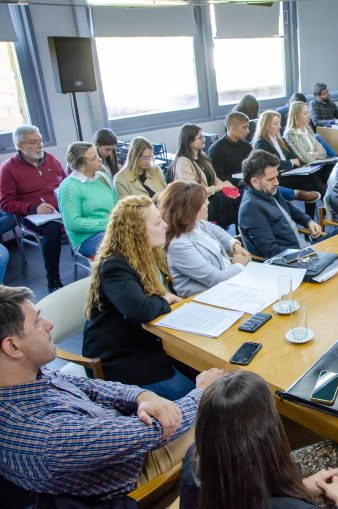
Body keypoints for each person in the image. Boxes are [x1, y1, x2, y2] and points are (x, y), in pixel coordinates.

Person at [0, 284, 228, 504]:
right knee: (228, 415)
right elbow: (153, 433)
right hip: (134, 471)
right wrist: (201, 394)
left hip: (126, 439)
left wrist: (141, 396)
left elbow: (90, 387)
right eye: (38, 322)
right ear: (12, 346)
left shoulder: (29, 378)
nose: (49, 324)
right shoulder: (43, 433)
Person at [179, 370, 338, 509]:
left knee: (336, 452)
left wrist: (301, 486)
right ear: (267, 436)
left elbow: (241, 488)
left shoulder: (194, 463)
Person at [83, 196, 195, 401]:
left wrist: (165, 299)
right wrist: (167, 299)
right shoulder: (114, 265)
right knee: (198, 397)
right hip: (122, 357)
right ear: (137, 232)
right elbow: (140, 310)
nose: (165, 225)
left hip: (151, 343)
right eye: (157, 222)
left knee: (206, 377)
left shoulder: (151, 255)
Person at [238, 150, 338, 259]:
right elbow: (272, 251)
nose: (276, 182)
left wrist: (308, 221)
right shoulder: (251, 208)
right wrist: (310, 254)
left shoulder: (267, 191)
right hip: (296, 258)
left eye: (276, 177)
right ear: (254, 182)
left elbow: (289, 208)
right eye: (271, 179)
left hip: (306, 249)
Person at [0, 125, 67, 292]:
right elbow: (6, 203)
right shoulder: (8, 168)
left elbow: (66, 184)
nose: (40, 146)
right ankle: (53, 280)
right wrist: (34, 208)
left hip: (60, 209)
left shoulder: (50, 159)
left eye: (40, 141)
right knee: (52, 227)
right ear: (20, 146)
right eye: (33, 142)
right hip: (31, 215)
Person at [160, 181, 251, 298]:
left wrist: (235, 246)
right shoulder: (178, 244)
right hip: (210, 297)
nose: (208, 203)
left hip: (227, 285)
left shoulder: (196, 224)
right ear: (190, 209)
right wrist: (239, 265)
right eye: (203, 201)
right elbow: (217, 279)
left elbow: (215, 230)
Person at [255, 110, 326, 219]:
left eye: (279, 123)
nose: (279, 126)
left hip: (290, 174)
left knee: (309, 186)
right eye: (275, 124)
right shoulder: (262, 143)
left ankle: (309, 221)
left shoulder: (281, 140)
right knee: (311, 176)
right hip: (277, 178)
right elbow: (272, 164)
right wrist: (291, 163)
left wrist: (288, 164)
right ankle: (329, 204)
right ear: (266, 126)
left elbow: (294, 158)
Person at [170, 124, 238, 229]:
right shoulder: (183, 162)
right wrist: (220, 187)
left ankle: (238, 234)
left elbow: (215, 179)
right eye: (200, 138)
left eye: (203, 136)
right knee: (229, 203)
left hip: (211, 197)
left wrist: (228, 189)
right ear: (189, 141)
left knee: (238, 197)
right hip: (196, 203)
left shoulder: (203, 157)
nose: (204, 140)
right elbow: (193, 190)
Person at [56, 142, 117, 257]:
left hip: (110, 229)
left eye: (97, 155)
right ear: (81, 165)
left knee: (144, 234)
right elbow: (72, 223)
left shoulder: (102, 177)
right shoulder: (69, 187)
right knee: (126, 244)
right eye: (94, 159)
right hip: (86, 238)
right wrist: (109, 223)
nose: (99, 160)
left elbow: (115, 205)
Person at [285, 101, 335, 183]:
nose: (309, 115)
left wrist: (310, 153)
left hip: (317, 165)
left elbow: (323, 153)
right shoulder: (291, 133)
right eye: (305, 113)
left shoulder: (308, 129)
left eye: (308, 112)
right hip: (306, 169)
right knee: (332, 172)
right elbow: (304, 158)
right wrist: (315, 153)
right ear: (297, 116)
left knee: (336, 167)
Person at [208, 111, 254, 187]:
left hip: (251, 184)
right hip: (234, 188)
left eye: (247, 127)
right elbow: (218, 178)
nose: (248, 131)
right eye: (244, 127)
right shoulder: (216, 149)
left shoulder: (246, 145)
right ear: (232, 128)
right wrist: (243, 181)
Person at [114, 136, 167, 201]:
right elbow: (127, 209)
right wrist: (152, 200)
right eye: (144, 158)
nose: (147, 161)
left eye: (150, 157)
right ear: (133, 156)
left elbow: (166, 192)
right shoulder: (120, 179)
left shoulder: (155, 170)